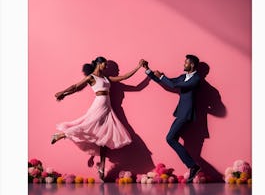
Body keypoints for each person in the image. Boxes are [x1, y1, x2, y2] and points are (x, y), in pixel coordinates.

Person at [52, 56, 145, 181]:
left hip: (108, 108)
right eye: (104, 64)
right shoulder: (92, 77)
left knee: (104, 136)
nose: (106, 67)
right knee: (86, 126)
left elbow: (124, 77)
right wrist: (63, 93)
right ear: (98, 64)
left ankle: (101, 166)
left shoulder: (106, 78)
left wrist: (138, 67)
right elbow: (76, 87)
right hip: (99, 105)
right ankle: (61, 135)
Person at [142, 55, 201, 183]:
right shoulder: (183, 77)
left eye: (186, 62)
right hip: (181, 113)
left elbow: (174, 86)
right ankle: (193, 166)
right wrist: (149, 71)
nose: (183, 64)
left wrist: (162, 76)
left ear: (192, 65)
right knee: (171, 138)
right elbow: (168, 83)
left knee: (170, 138)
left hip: (187, 114)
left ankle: (193, 166)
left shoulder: (196, 79)